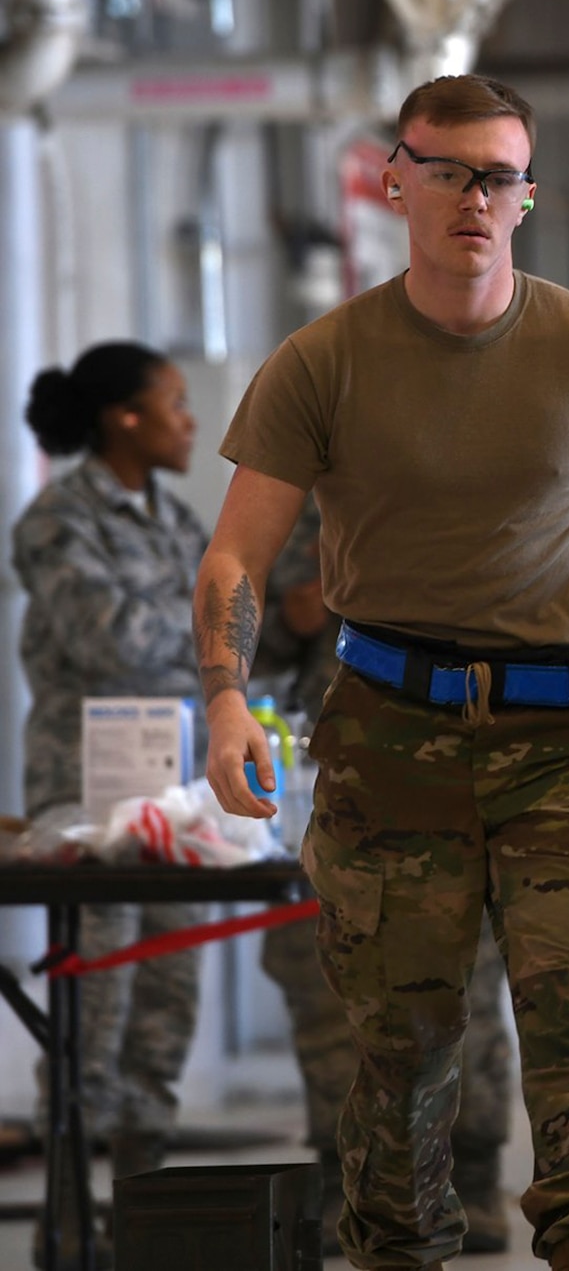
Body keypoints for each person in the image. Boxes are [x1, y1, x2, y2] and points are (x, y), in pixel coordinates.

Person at [193, 73, 569, 1271]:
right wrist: (225, 696)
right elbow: (234, 557)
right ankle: (398, 1251)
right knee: (398, 1044)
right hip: (384, 733)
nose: (472, 196)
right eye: (446, 170)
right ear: (395, 178)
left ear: (527, 199)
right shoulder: (323, 361)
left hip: (557, 738)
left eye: (496, 176)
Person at [253, 496, 520, 1258]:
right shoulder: (304, 513)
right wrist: (297, 623)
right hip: (342, 774)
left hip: (458, 769)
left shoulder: (464, 491)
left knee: (468, 983)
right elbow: (254, 647)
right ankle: (350, 1183)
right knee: (330, 984)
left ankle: (473, 1176)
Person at [12, 343, 206, 1184]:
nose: (190, 420)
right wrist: (202, 622)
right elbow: (109, 638)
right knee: (95, 1003)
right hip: (88, 795)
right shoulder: (58, 519)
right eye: (173, 401)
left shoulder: (177, 520)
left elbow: (240, 628)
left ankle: (145, 1197)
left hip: (174, 791)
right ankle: (70, 1204)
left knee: (168, 997)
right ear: (124, 417)